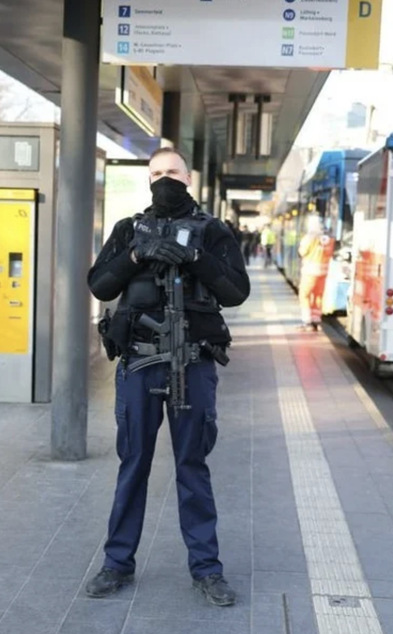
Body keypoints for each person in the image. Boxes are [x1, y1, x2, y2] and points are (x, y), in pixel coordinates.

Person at [86, 147, 250, 606]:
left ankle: (207, 569)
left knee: (192, 467)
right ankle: (117, 562)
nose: (164, 181)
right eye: (156, 174)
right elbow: (99, 284)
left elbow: (236, 291)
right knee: (132, 464)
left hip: (192, 363)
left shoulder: (213, 231)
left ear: (189, 177)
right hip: (138, 361)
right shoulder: (127, 230)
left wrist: (196, 258)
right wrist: (136, 256)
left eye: (172, 173)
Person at [297, 214, 334, 331]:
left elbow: (302, 252)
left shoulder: (309, 238)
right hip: (323, 273)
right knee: (318, 296)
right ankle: (316, 320)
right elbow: (330, 253)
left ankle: (307, 321)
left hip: (309, 272)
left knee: (304, 295)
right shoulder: (328, 239)